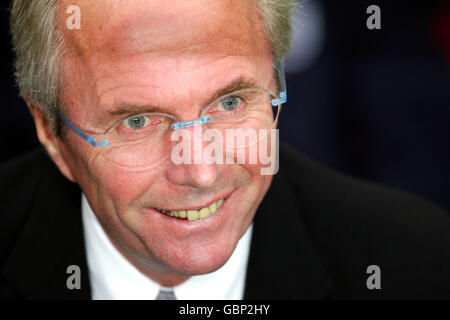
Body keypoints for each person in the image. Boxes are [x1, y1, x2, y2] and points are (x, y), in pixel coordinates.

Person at [1, 0, 449, 300]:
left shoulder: (416, 264)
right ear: (49, 130)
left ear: (276, 84)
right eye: (137, 122)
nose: (201, 171)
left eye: (230, 102)